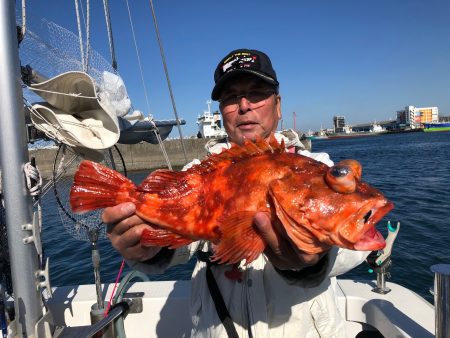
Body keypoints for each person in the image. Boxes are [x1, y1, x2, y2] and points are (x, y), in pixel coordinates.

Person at [102, 49, 368, 337]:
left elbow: (356, 244)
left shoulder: (318, 169)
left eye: (256, 93)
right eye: (231, 98)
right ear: (222, 112)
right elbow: (180, 246)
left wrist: (314, 261)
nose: (244, 105)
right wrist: (148, 249)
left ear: (278, 106)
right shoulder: (197, 172)